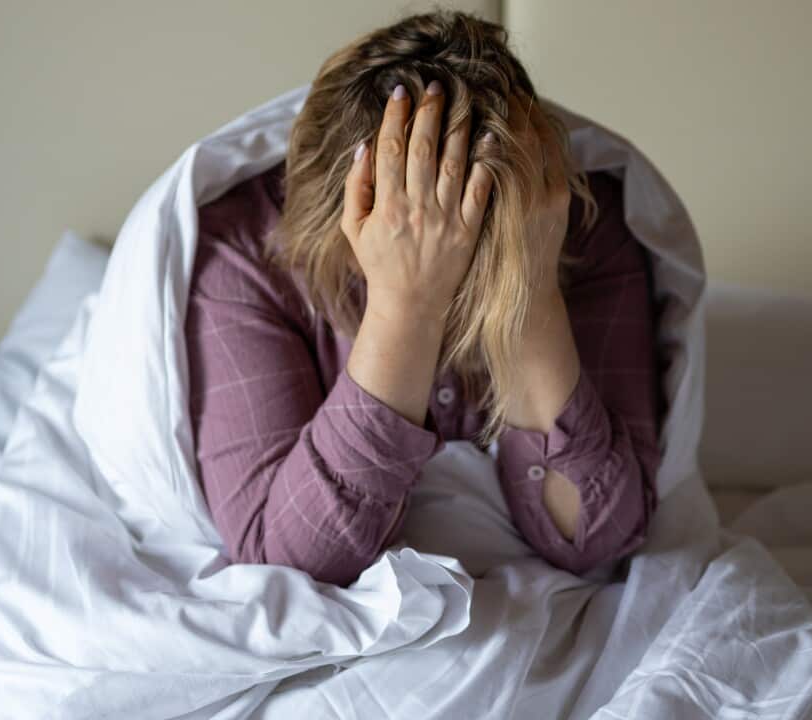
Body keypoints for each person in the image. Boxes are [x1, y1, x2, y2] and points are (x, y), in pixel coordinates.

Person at [186, 10, 663, 587]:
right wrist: (405, 305)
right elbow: (285, 562)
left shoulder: (582, 220)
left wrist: (529, 288)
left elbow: (597, 537)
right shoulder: (244, 253)